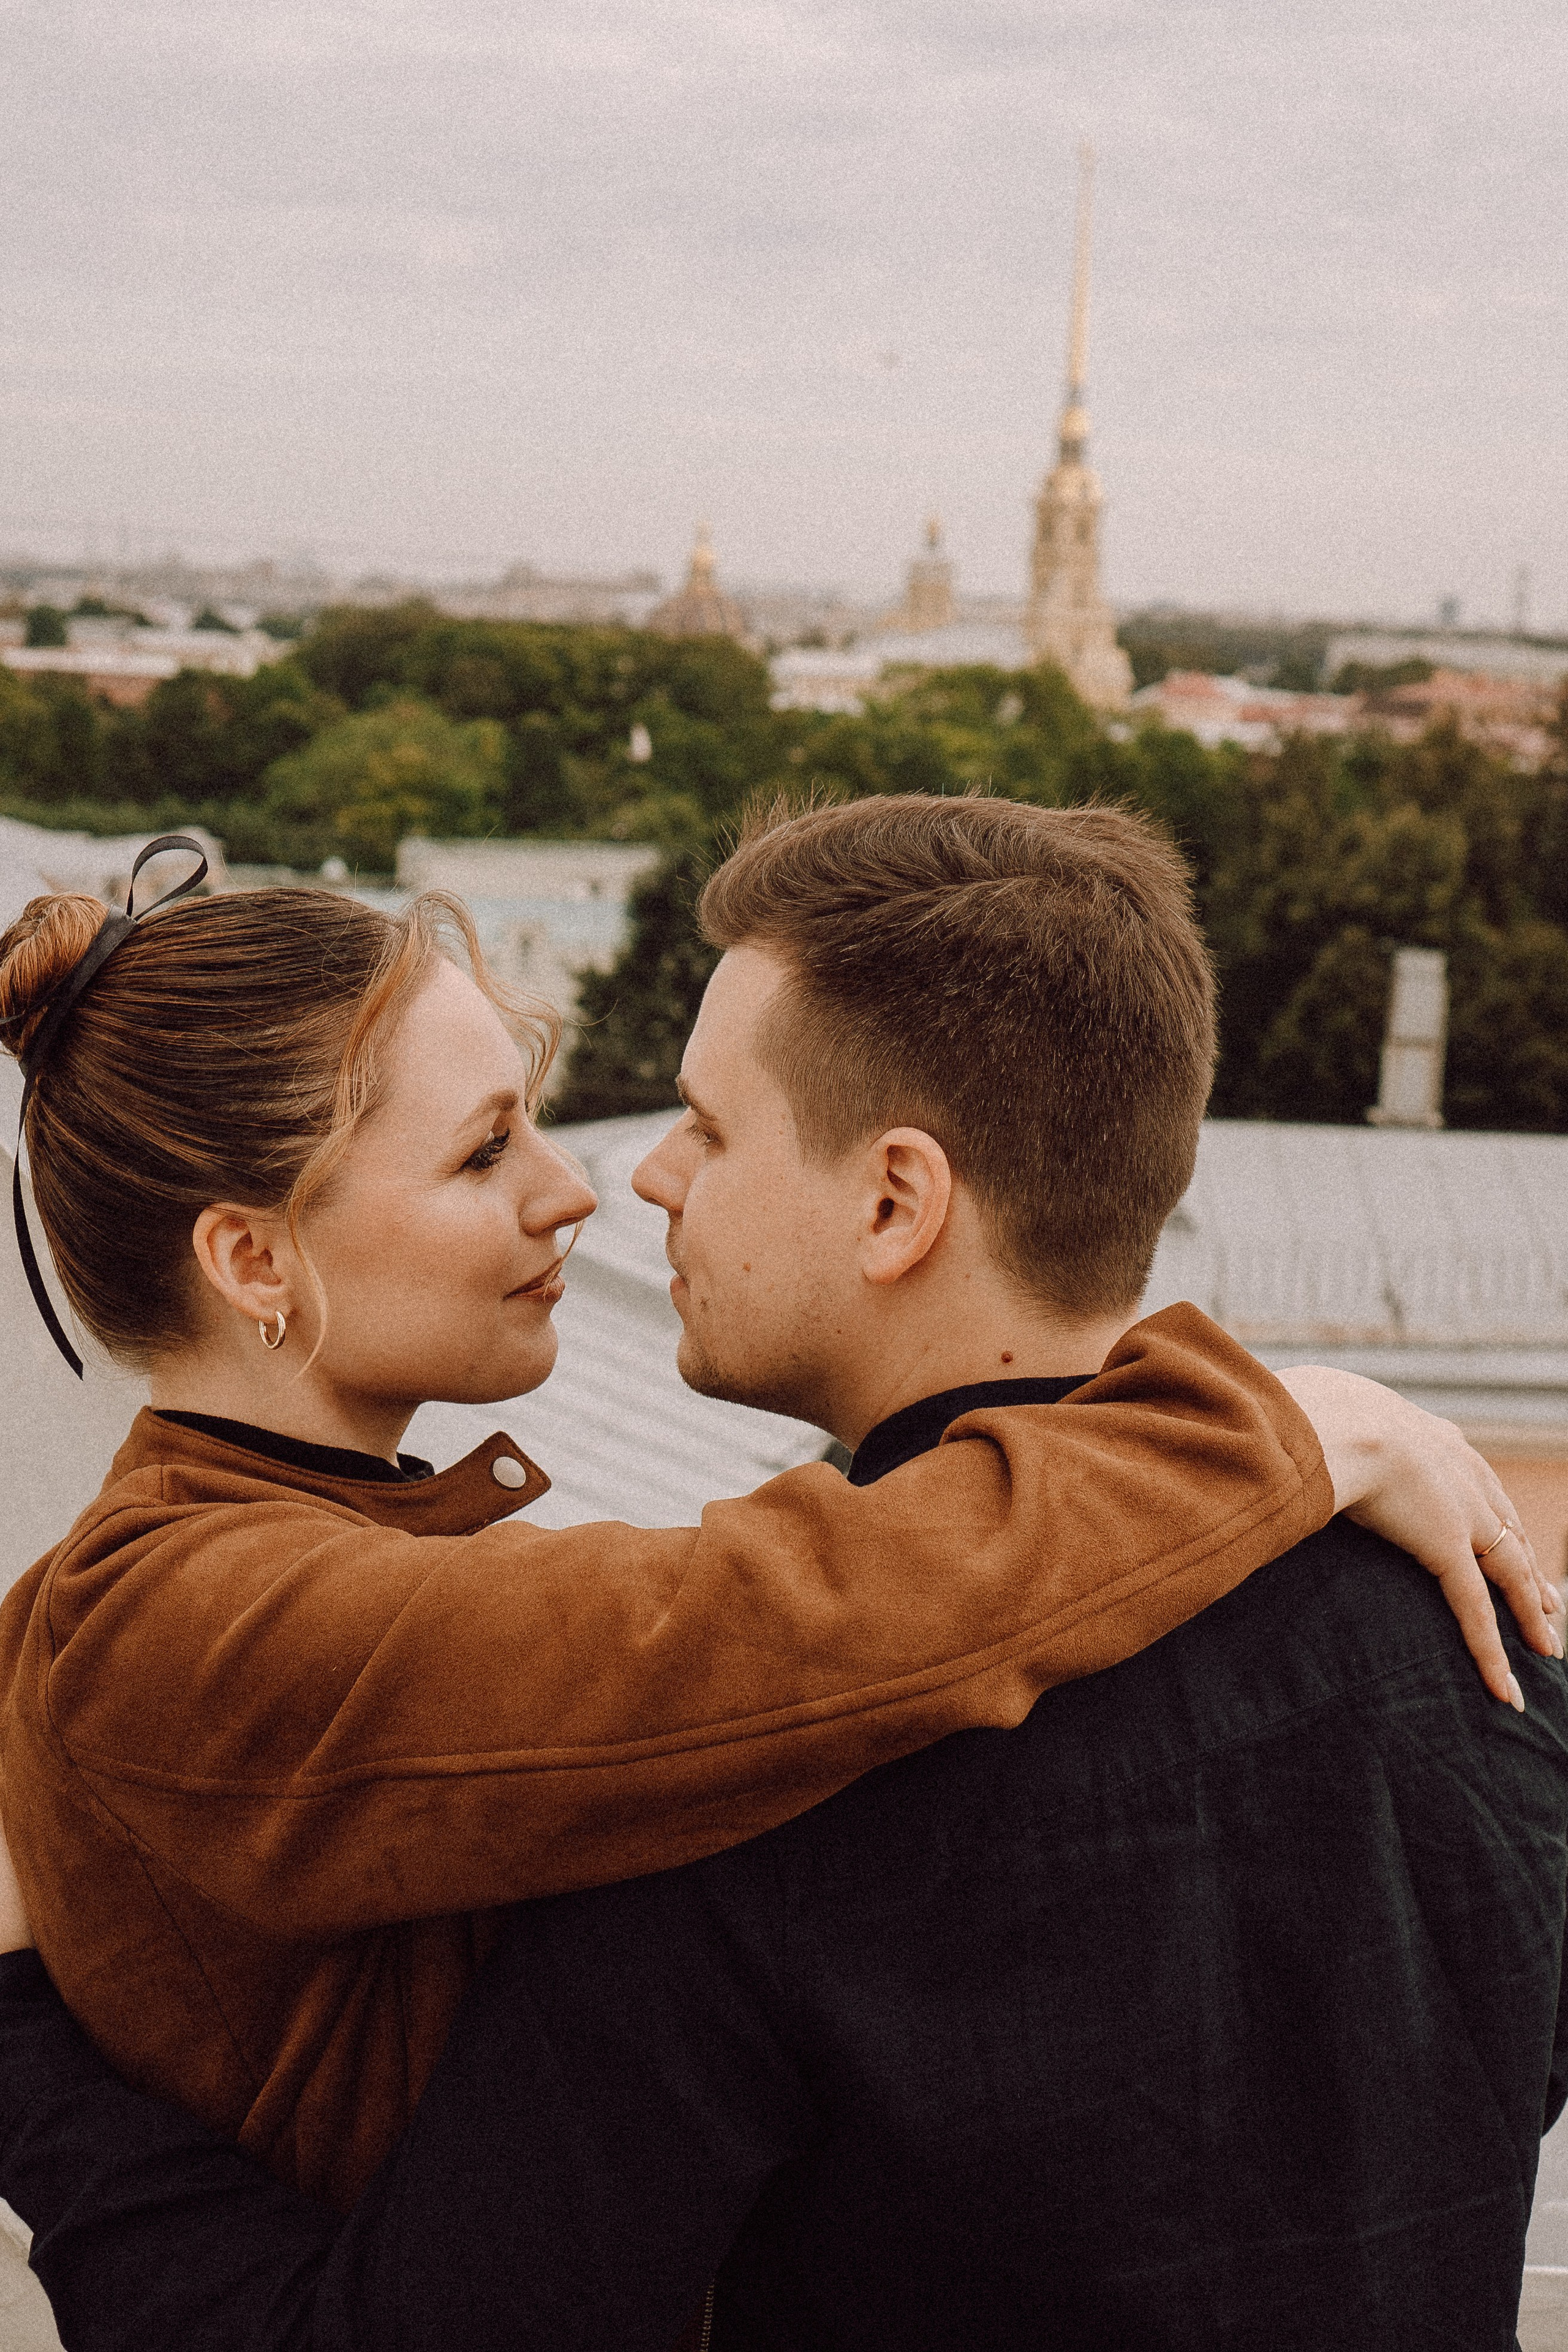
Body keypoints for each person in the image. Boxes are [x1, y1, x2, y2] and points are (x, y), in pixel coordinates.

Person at [0, 793, 1561, 2351]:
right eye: (487, 1149)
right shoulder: (1483, 1656)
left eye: (704, 1124)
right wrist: (1263, 1425)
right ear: (251, 1260)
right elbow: (764, 1606)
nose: (609, 1183)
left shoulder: (715, 1807)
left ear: (895, 1200)